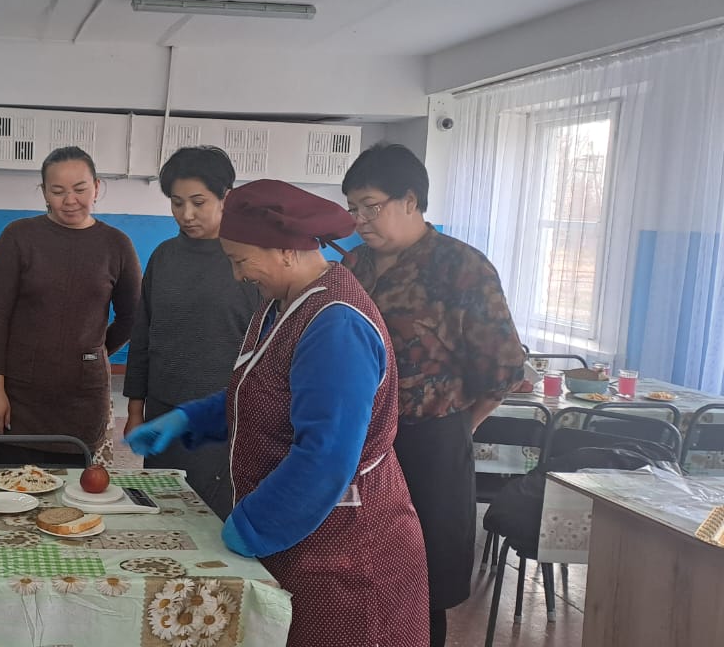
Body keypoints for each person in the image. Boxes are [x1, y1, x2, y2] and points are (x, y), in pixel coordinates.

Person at [126, 179, 429, 647]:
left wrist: (252, 527)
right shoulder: (282, 303)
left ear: (285, 251)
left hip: (348, 552)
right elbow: (263, 393)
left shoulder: (336, 324)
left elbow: (325, 457)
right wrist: (191, 420)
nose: (237, 276)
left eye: (240, 260)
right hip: (302, 537)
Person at [341, 143, 525, 647]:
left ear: (410, 200)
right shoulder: (353, 266)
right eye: (353, 208)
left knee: (424, 582)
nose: (359, 220)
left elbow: (503, 368)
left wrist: (458, 427)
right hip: (357, 442)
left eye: (370, 207)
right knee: (354, 570)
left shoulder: (461, 268)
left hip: (431, 444)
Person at [0, 146, 141, 466]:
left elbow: (132, 317)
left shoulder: (116, 245)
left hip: (82, 401)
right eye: (58, 191)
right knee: (11, 487)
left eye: (80, 189)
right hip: (19, 398)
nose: (70, 200)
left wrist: (94, 353)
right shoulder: (18, 237)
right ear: (44, 192)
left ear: (97, 187)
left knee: (74, 494)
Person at [123, 146, 259, 518]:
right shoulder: (164, 256)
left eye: (199, 202)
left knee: (213, 519)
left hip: (222, 420)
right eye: (177, 203)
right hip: (163, 412)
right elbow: (143, 336)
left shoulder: (248, 261)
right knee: (163, 513)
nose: (186, 214)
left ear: (226, 197)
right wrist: (135, 409)